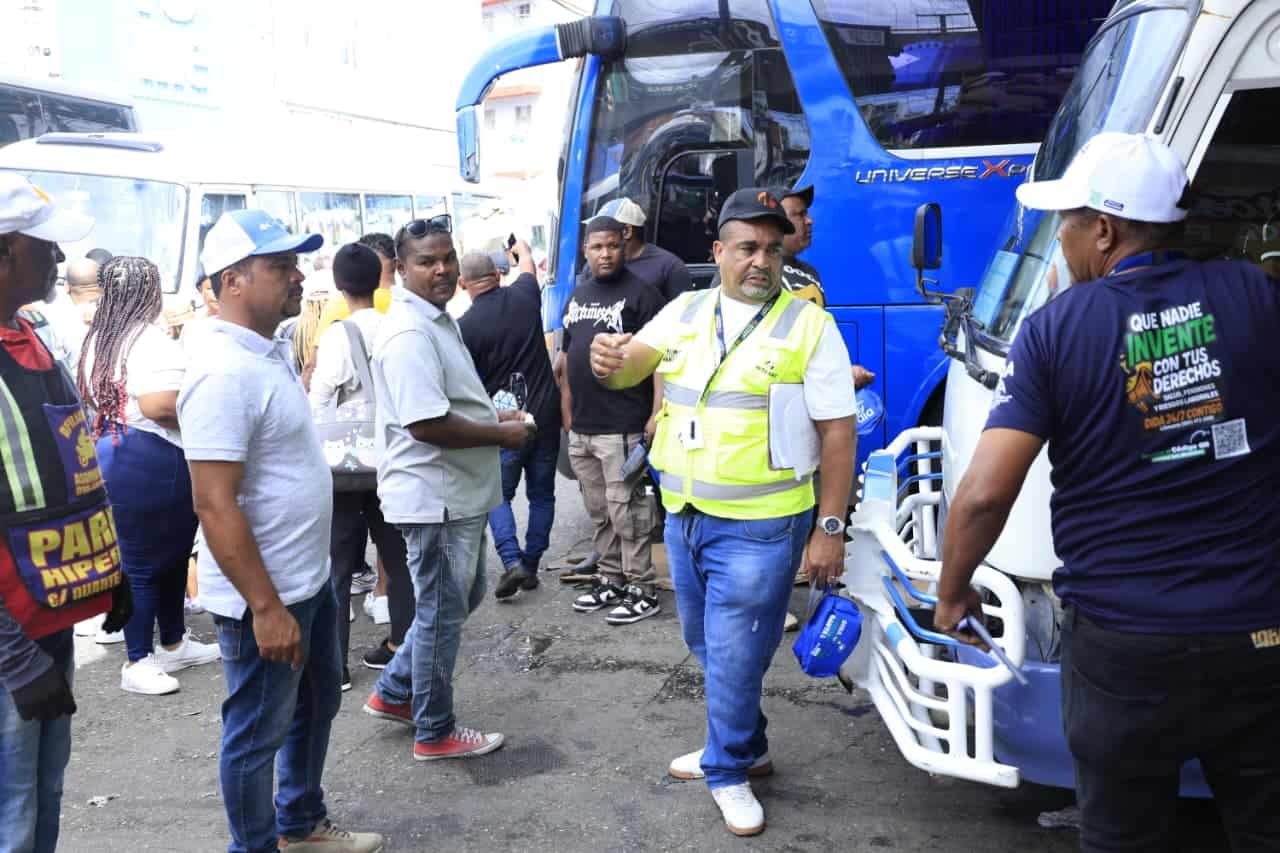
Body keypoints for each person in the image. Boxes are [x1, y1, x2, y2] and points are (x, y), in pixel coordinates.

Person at [933, 132, 1280, 852]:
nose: (1058, 239)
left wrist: (953, 587)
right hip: (1259, 636)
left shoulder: (1056, 330)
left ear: (1104, 228)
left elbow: (982, 496)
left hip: (1124, 647)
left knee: (1123, 836)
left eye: (1065, 221)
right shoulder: (1256, 294)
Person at [588, 187, 857, 836]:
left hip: (764, 525)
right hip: (684, 513)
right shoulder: (684, 310)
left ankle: (728, 765)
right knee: (705, 641)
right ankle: (748, 743)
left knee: (735, 650)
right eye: (747, 247)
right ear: (719, 252)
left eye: (772, 246)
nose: (761, 259)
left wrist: (829, 529)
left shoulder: (808, 325)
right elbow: (630, 371)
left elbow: (839, 432)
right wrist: (607, 363)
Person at [180, 209, 382, 853]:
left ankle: (300, 825)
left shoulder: (262, 351)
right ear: (232, 281)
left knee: (315, 706)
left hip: (307, 579)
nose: (297, 277)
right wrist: (264, 608)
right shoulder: (222, 370)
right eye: (279, 267)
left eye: (295, 264)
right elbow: (214, 502)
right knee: (255, 734)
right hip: (263, 597)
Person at [360, 215, 533, 761]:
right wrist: (501, 433)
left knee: (461, 596)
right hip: (433, 497)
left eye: (446, 258)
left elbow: (450, 402)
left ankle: (394, 692)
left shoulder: (436, 319)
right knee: (440, 610)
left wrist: (493, 414)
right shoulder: (410, 331)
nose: (440, 269)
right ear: (400, 269)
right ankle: (434, 729)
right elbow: (427, 424)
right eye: (425, 261)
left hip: (456, 494)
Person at [0, 173, 131, 853]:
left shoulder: (32, 336)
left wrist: (111, 572)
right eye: (44, 246)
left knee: (42, 797)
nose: (59, 261)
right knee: (11, 815)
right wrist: (12, 654)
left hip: (47, 618)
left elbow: (72, 468)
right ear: (4, 251)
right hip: (10, 639)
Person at [78, 256, 220, 695]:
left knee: (173, 553)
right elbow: (160, 404)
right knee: (141, 562)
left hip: (118, 450)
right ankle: (138, 658)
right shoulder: (148, 339)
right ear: (148, 293)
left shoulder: (100, 338)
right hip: (149, 454)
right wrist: (206, 413)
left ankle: (174, 643)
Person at [307, 242, 411, 688]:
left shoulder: (338, 334)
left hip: (344, 471)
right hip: (391, 462)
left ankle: (336, 668)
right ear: (383, 275)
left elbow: (319, 402)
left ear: (339, 285)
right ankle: (403, 650)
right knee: (399, 560)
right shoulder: (397, 327)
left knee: (337, 567)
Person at [562, 216, 665, 624]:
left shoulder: (643, 295)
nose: (605, 254)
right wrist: (567, 412)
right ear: (586, 251)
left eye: (612, 246)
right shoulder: (578, 295)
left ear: (624, 246)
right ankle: (610, 578)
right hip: (584, 427)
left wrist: (657, 413)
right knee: (599, 509)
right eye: (597, 247)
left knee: (629, 510)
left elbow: (661, 360)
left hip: (623, 424)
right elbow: (568, 357)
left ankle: (642, 587)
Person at [457, 242, 560, 599]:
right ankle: (530, 565)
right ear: (497, 274)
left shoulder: (464, 328)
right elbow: (529, 267)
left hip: (503, 424)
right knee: (542, 495)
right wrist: (522, 251)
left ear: (462, 283)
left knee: (497, 496)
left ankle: (512, 560)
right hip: (545, 414)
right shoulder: (525, 294)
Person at [583, 197, 692, 303]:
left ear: (627, 231)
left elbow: (683, 315)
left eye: (605, 228)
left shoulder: (669, 267)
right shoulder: (595, 265)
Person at [315, 232, 397, 340]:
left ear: (338, 284)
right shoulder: (405, 305)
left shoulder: (336, 306)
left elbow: (315, 356)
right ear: (397, 265)